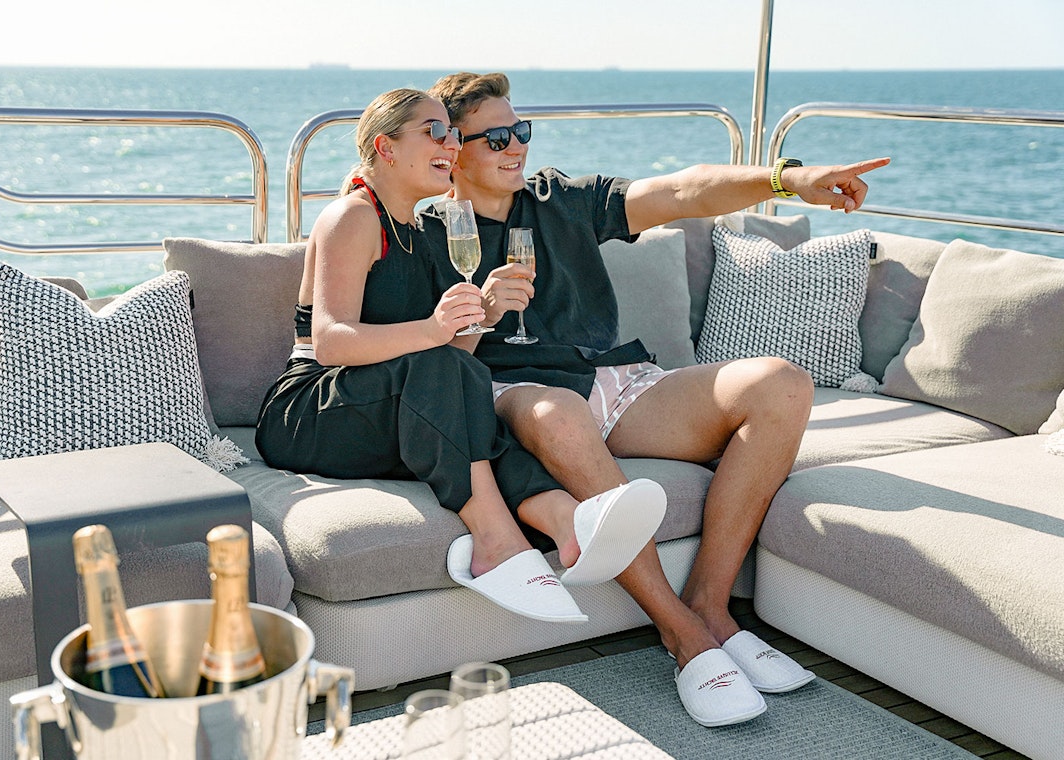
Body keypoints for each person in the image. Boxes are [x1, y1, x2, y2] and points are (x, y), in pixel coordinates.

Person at [421, 72, 891, 727]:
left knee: (780, 383)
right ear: (452, 148)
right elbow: (432, 372)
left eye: (520, 130)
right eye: (497, 136)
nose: (516, 146)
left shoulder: (559, 199)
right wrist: (480, 314)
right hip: (514, 393)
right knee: (560, 413)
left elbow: (679, 190)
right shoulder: (427, 230)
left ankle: (712, 603)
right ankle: (680, 632)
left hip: (613, 379)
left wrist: (786, 180)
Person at [254, 88, 666, 626]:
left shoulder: (425, 235)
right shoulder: (352, 217)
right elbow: (332, 343)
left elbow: (454, 356)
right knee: (445, 372)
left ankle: (571, 525)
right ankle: (496, 543)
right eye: (434, 132)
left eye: (452, 133)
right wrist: (431, 329)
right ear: (386, 147)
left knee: (469, 381)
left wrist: (484, 317)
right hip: (312, 409)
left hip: (382, 403)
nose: (451, 143)